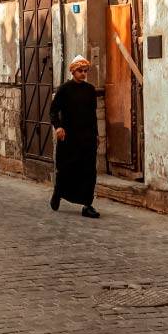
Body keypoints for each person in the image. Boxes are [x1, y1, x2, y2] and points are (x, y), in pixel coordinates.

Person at [47, 56, 100, 218]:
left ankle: (87, 204)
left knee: (89, 171)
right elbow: (53, 110)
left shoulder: (90, 90)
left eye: (85, 71)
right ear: (73, 71)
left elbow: (93, 115)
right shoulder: (64, 89)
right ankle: (58, 192)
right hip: (69, 136)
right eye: (80, 71)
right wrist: (58, 127)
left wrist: (96, 134)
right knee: (67, 168)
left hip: (87, 136)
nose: (83, 74)